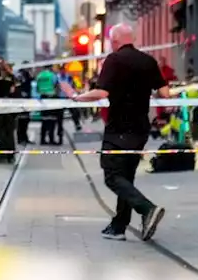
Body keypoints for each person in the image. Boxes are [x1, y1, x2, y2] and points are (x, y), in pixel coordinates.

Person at [73, 23, 171, 242]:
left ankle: (147, 209)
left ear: (115, 40)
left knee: (112, 175)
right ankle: (118, 226)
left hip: (119, 128)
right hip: (140, 128)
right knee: (126, 175)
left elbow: (102, 91)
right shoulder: (148, 61)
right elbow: (165, 93)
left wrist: (77, 97)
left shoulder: (114, 60)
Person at [0, 60, 17, 163]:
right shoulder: (12, 77)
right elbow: (13, 91)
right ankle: (11, 156)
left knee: (1, 132)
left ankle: (3, 156)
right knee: (9, 133)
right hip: (10, 108)